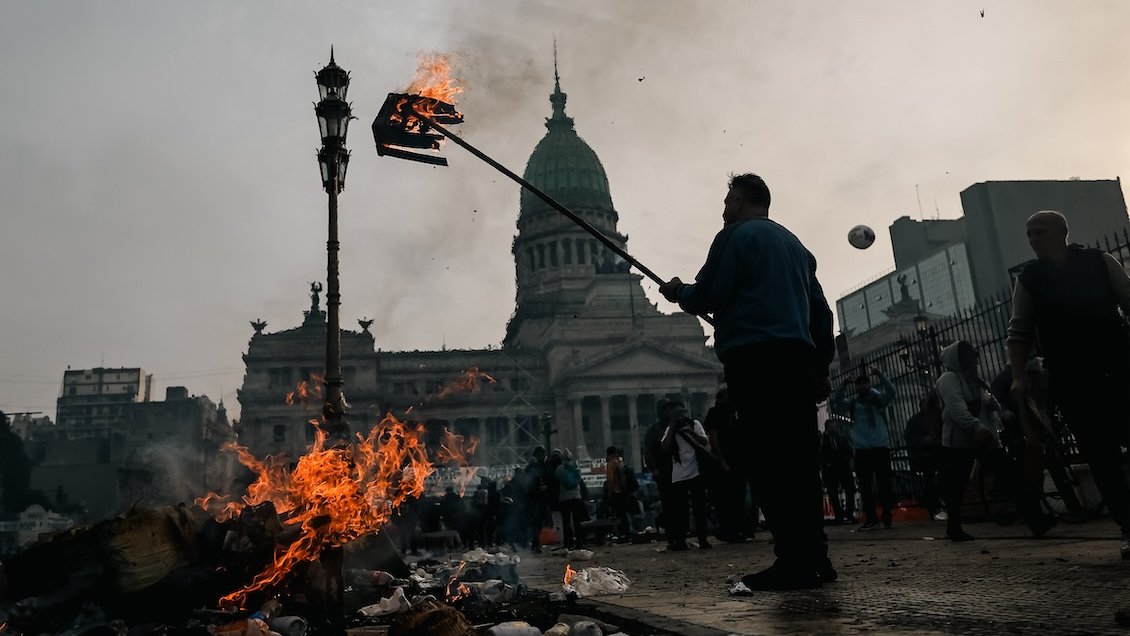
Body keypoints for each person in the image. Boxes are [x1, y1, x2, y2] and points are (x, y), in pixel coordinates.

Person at [659, 173, 835, 590]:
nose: (723, 210)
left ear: (738, 200)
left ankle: (791, 562)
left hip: (755, 363)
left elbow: (708, 295)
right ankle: (817, 559)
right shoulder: (797, 247)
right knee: (802, 465)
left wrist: (678, 291)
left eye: (726, 202)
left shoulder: (734, 237)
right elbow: (822, 315)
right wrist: (821, 368)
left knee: (769, 464)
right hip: (796, 362)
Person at [1008, 210, 1130, 559]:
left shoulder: (1098, 261)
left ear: (1062, 232)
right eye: (1029, 234)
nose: (1033, 239)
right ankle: (1128, 525)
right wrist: (1018, 377)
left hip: (1119, 365)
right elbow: (1019, 331)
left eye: (1040, 232)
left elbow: (1128, 300)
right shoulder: (1029, 278)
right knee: (1100, 455)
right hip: (1072, 378)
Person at [936, 340, 1054, 542]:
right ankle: (953, 527)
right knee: (957, 486)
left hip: (983, 438)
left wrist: (998, 411)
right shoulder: (949, 379)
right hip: (960, 443)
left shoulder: (975, 380)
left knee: (1011, 477)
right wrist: (976, 427)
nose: (974, 362)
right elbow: (956, 409)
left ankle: (1036, 520)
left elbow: (988, 402)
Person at [833, 367, 896, 530]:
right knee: (866, 486)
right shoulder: (854, 403)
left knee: (884, 485)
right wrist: (843, 384)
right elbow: (837, 401)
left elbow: (891, 390)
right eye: (858, 384)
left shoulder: (878, 400)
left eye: (864, 383)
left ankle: (886, 515)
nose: (861, 387)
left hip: (879, 445)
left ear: (869, 384)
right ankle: (873, 517)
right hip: (863, 448)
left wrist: (880, 375)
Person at [704, 388, 758, 541]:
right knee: (728, 498)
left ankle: (742, 529)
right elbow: (713, 439)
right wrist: (722, 460)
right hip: (726, 461)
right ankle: (731, 530)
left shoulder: (733, 413)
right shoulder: (715, 413)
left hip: (738, 459)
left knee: (740, 496)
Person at [659, 400, 712, 551]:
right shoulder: (670, 428)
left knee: (699, 508)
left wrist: (689, 431)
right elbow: (664, 446)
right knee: (680, 511)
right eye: (676, 414)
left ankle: (702, 539)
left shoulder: (694, 424)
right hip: (679, 474)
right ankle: (681, 540)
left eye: (681, 412)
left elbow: (704, 441)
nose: (680, 416)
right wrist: (673, 427)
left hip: (696, 471)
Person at [904, 393, 945, 520]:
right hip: (923, 456)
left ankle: (932, 502)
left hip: (931, 454)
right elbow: (910, 438)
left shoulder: (926, 419)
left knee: (933, 479)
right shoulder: (917, 420)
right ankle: (932, 504)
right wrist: (924, 440)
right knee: (931, 479)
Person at [820, 418, 857, 525]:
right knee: (834, 493)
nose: (833, 428)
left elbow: (849, 452)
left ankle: (848, 513)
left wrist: (850, 465)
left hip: (842, 467)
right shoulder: (825, 439)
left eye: (834, 426)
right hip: (831, 468)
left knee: (848, 490)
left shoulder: (840, 438)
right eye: (831, 426)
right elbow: (823, 456)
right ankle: (840, 515)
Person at [603, 446, 638, 539]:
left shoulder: (610, 464)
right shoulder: (620, 463)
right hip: (623, 492)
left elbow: (610, 481)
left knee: (618, 515)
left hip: (615, 492)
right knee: (623, 515)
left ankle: (622, 534)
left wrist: (609, 495)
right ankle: (627, 533)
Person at [555, 449, 586, 550]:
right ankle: (579, 542)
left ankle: (568, 543)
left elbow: (556, 477)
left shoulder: (560, 468)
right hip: (576, 496)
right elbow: (579, 480)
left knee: (566, 521)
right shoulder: (576, 468)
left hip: (564, 498)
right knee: (577, 521)